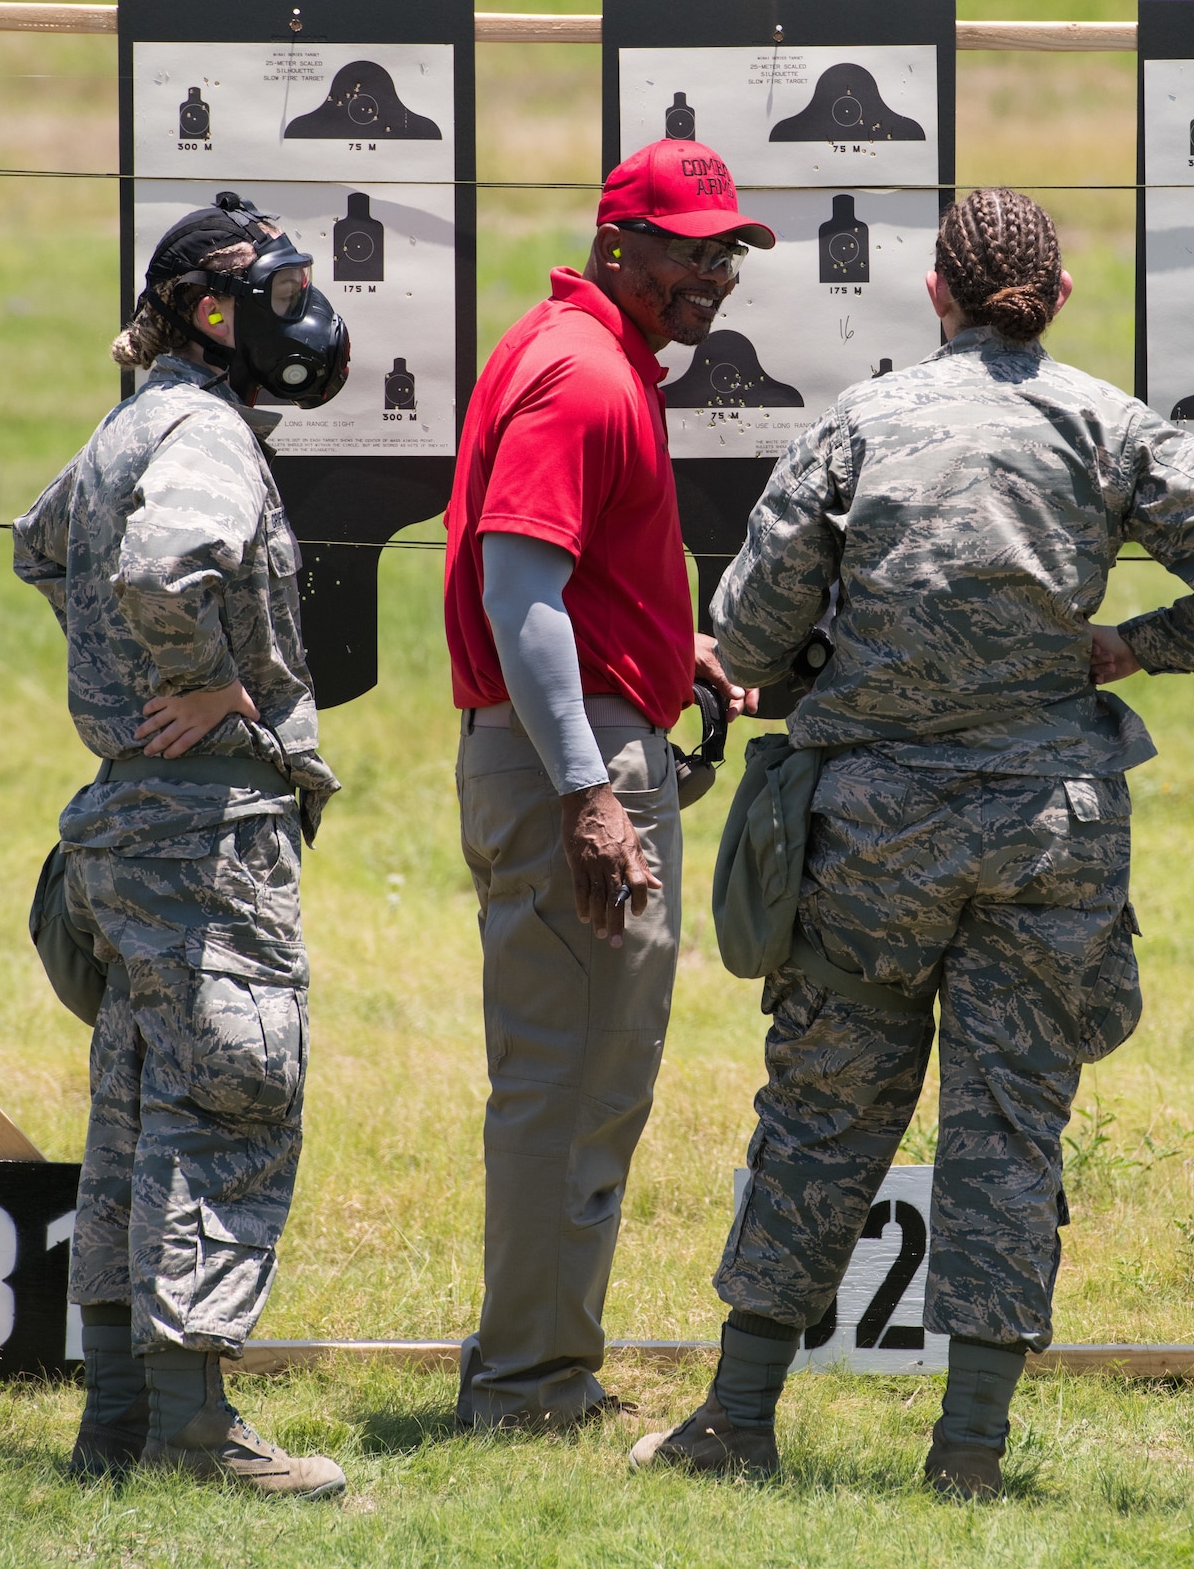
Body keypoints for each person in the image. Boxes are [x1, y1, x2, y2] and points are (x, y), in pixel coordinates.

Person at [631, 188, 1194, 1497]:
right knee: (1009, 1131)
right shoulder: (1107, 425)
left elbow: (753, 622)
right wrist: (1134, 644)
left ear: (935, 298)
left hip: (874, 838)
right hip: (1046, 840)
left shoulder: (863, 420)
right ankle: (970, 1451)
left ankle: (734, 1419)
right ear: (1054, 300)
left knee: (821, 1117)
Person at [13, 194, 350, 1497]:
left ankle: (117, 1419)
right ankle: (200, 1426)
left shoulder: (130, 422)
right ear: (213, 311)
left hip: (125, 823)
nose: (299, 316)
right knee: (226, 1104)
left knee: (135, 1113)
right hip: (204, 830)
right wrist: (208, 681)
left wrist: (115, 680)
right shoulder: (203, 429)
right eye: (275, 291)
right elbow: (160, 569)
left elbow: (45, 544)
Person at [441, 137, 763, 1432]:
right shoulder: (584, 375)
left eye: (729, 249)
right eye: (692, 247)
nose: (716, 273)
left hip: (568, 736)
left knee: (574, 1073)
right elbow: (516, 586)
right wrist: (588, 787)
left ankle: (533, 1363)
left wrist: (652, 639)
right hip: (560, 761)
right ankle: (528, 1384)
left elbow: (557, 581)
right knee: (573, 1082)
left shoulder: (587, 349)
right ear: (619, 241)